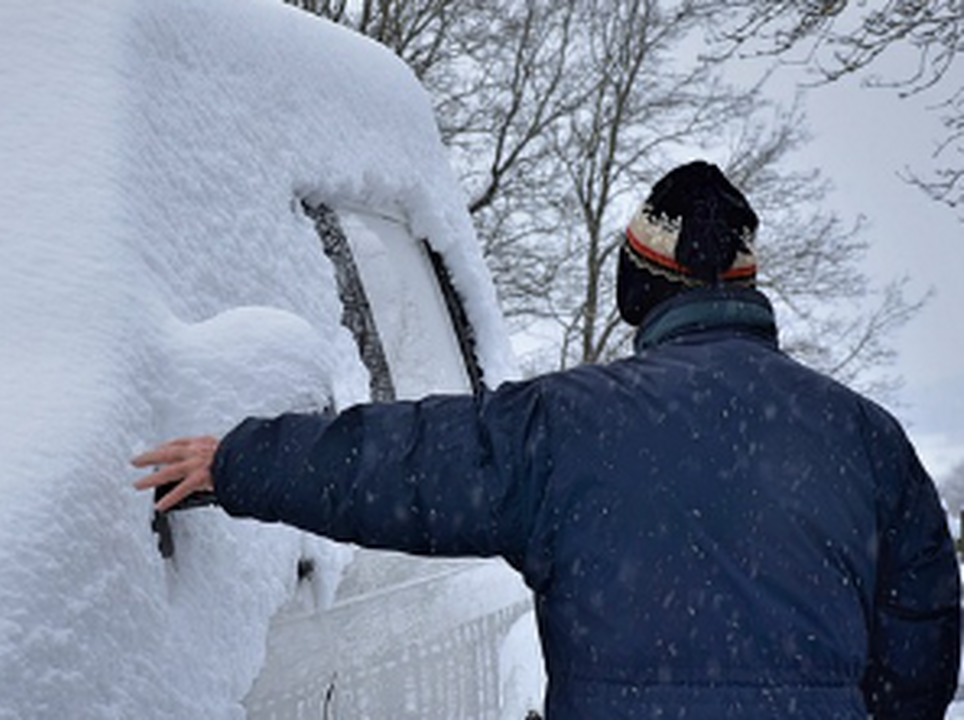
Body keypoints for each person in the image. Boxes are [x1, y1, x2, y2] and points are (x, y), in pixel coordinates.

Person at [132, 161, 961, 719]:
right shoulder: (867, 438)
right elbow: (921, 649)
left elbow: (402, 462)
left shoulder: (569, 424)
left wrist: (238, 462)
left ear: (640, 288)